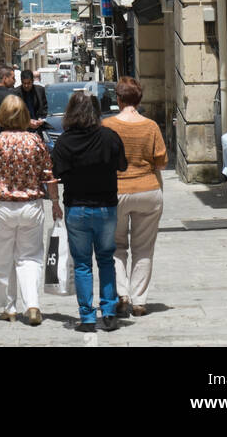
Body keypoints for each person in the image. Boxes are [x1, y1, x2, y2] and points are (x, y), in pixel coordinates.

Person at [0, 94, 60, 326]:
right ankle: (32, 305)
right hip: (31, 205)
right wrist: (55, 203)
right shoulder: (35, 141)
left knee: (2, 258)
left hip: (1, 206)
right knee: (30, 257)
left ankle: (8, 307)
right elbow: (48, 175)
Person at [52, 90, 127, 333]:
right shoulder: (109, 137)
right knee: (106, 259)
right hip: (106, 207)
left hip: (77, 208)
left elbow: (57, 173)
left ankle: (87, 317)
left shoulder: (64, 141)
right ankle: (108, 312)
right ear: (96, 112)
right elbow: (122, 165)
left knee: (83, 263)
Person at [103, 77, 168, 317]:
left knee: (115, 247)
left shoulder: (108, 125)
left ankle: (122, 293)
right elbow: (161, 162)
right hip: (148, 190)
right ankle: (139, 300)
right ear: (139, 100)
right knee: (143, 249)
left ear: (118, 99)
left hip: (116, 191)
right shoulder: (150, 126)